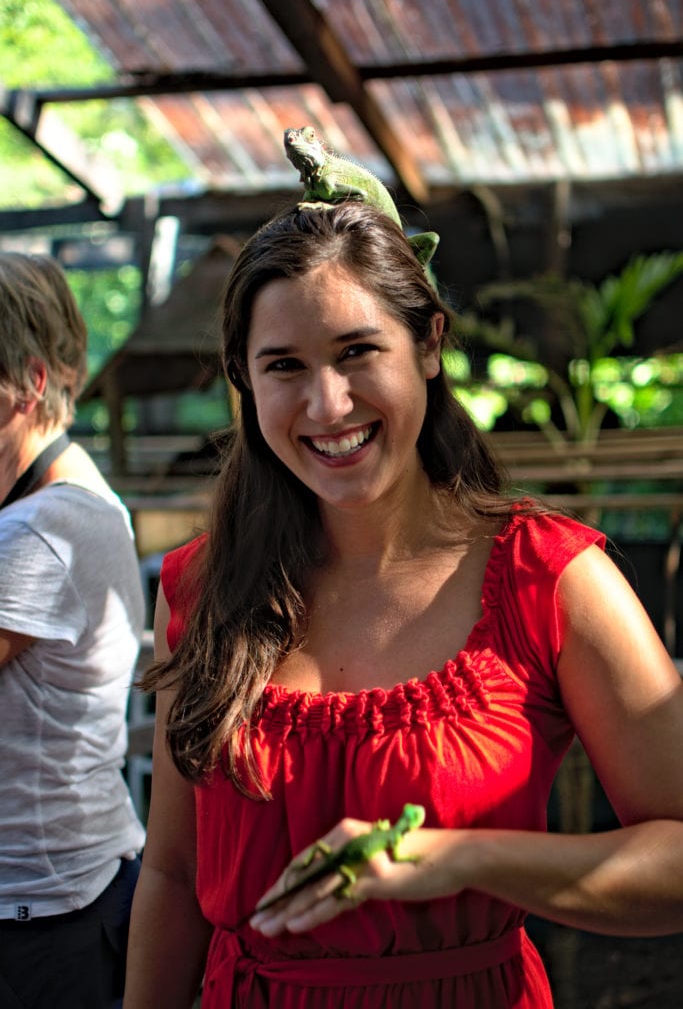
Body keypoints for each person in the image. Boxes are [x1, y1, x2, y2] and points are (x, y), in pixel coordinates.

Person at [123, 202, 683, 1009]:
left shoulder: (547, 576)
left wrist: (463, 858)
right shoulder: (206, 586)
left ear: (428, 345)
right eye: (283, 366)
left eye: (357, 352)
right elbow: (174, 875)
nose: (326, 405)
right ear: (243, 379)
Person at [0, 253, 146, 1008]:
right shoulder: (71, 493)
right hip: (69, 889)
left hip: (42, 914)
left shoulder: (43, 528)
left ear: (26, 382)